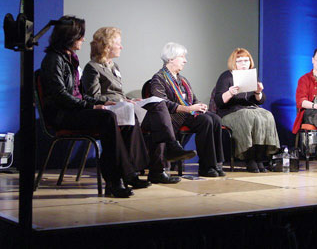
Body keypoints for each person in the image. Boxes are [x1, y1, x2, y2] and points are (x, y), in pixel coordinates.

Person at [40, 16, 147, 198]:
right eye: (80, 35)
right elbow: (60, 95)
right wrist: (91, 106)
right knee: (107, 118)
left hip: (75, 110)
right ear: (70, 36)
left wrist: (101, 103)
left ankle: (128, 173)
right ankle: (116, 180)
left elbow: (81, 94)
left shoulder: (70, 59)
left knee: (121, 112)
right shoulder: (53, 59)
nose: (83, 39)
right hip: (62, 115)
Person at [82, 28, 195, 184]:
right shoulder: (92, 67)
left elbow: (118, 93)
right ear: (107, 45)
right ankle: (168, 151)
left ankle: (159, 169)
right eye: (118, 44)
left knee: (158, 107)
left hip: (123, 106)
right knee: (159, 116)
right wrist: (121, 102)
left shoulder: (115, 67)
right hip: (109, 110)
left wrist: (129, 99)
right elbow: (93, 97)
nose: (121, 47)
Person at [150, 42, 225, 177]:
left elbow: (193, 99)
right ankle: (206, 167)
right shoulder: (159, 78)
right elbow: (161, 103)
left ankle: (216, 163)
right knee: (206, 120)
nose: (185, 60)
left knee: (216, 118)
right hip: (173, 117)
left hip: (187, 114)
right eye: (182, 57)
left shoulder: (182, 79)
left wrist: (200, 106)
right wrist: (188, 108)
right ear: (171, 59)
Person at [214, 48, 280, 173]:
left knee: (267, 115)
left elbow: (260, 101)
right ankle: (249, 158)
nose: (243, 63)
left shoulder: (251, 76)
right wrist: (229, 92)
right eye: (239, 61)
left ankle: (260, 157)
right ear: (234, 63)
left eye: (246, 60)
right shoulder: (226, 76)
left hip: (250, 110)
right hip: (230, 113)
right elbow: (218, 101)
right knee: (247, 116)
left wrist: (258, 92)